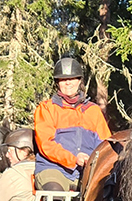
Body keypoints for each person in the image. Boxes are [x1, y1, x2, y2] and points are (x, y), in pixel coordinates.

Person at [33, 57, 111, 192]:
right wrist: (74, 159)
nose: (68, 83)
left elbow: (105, 144)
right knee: (54, 192)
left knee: (104, 194)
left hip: (86, 172)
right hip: (53, 169)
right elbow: (46, 144)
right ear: (57, 83)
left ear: (79, 80)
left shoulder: (93, 110)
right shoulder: (46, 108)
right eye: (63, 79)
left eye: (72, 78)